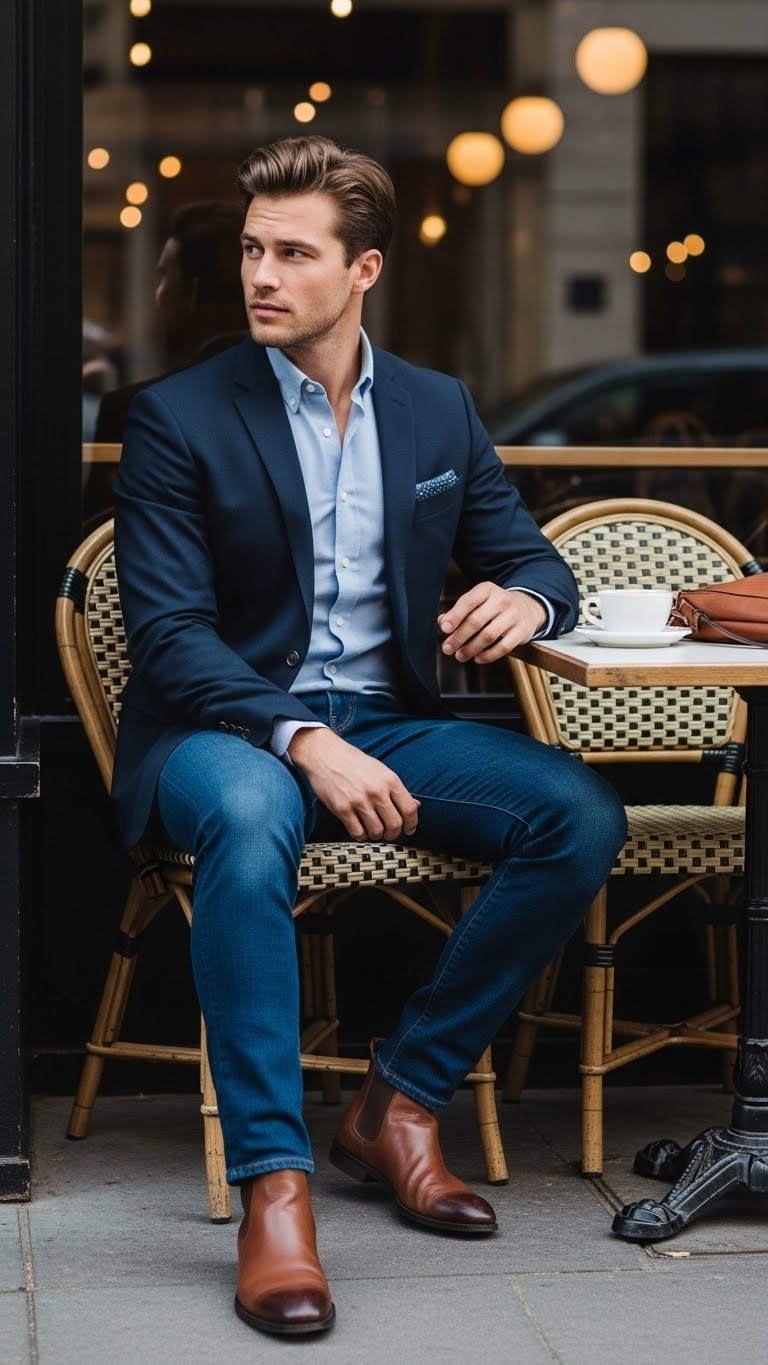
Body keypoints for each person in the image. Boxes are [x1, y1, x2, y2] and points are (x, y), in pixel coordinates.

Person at [113, 135, 627, 1338]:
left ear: (366, 272)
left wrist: (532, 600)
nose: (261, 275)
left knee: (579, 814)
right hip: (219, 725)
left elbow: (530, 554)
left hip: (391, 719)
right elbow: (174, 639)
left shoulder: (438, 410)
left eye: (295, 253)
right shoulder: (177, 417)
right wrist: (299, 738)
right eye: (252, 249)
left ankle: (400, 1100)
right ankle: (275, 1193)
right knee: (249, 822)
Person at [94, 200, 247, 442]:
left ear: (194, 291)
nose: (158, 295)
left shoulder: (135, 411)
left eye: (164, 276)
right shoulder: (299, 403)